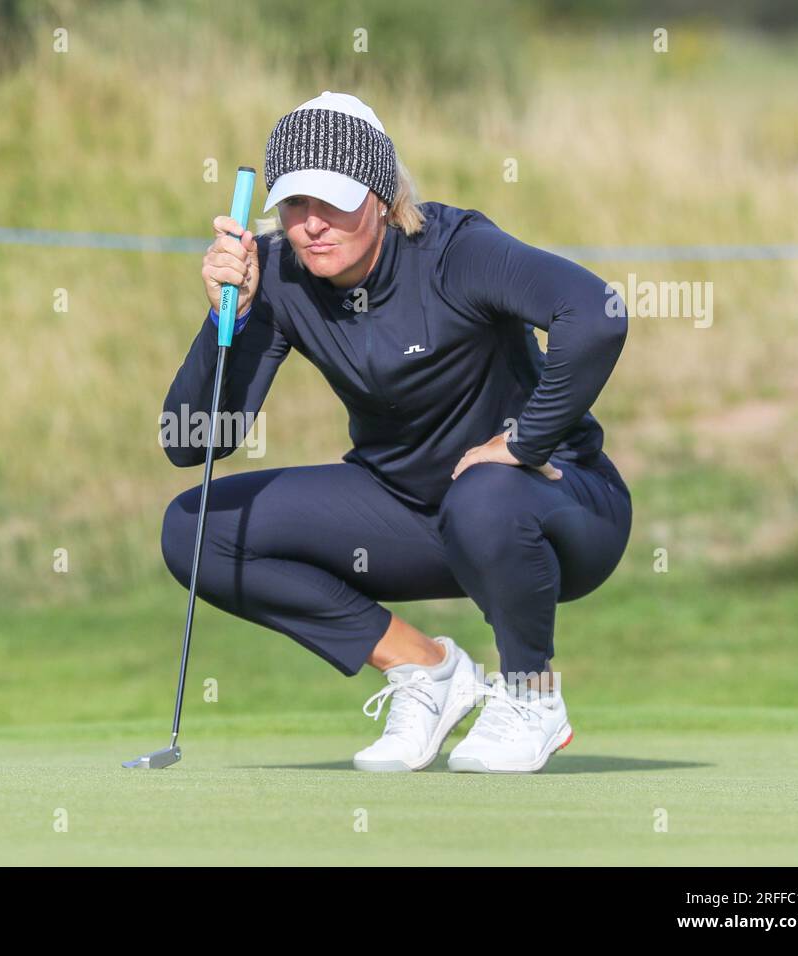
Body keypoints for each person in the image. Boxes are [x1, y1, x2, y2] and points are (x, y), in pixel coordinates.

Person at [159, 91, 632, 773]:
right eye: (295, 204)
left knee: (487, 492)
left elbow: (597, 312)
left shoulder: (454, 251)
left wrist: (527, 441)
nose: (313, 225)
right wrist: (224, 320)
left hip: (559, 511)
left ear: (380, 195)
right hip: (415, 517)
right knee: (195, 530)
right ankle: (428, 671)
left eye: (334, 202)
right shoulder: (281, 276)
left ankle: (532, 696)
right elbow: (192, 442)